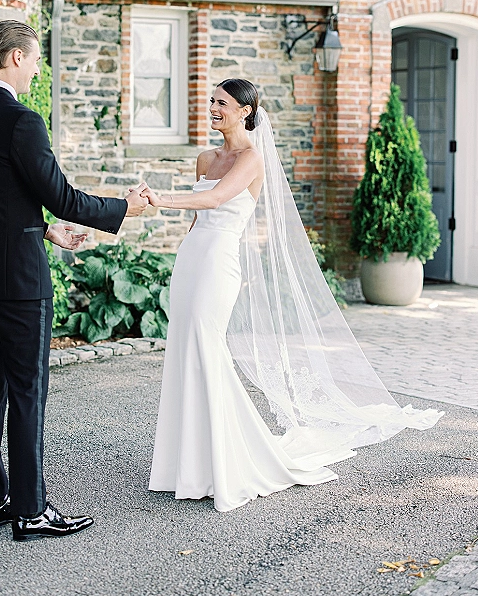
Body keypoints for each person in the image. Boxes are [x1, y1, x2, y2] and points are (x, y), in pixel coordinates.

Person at [139, 78, 442, 513]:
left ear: (245, 111)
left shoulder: (252, 158)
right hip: (191, 262)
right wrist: (180, 257)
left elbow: (220, 199)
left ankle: (228, 459)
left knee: (208, 349)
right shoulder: (205, 157)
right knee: (184, 349)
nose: (212, 108)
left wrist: (158, 198)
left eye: (221, 103)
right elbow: (196, 221)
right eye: (211, 101)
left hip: (219, 264)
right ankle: (184, 462)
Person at [0, 20, 148, 540]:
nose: (37, 68)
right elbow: (60, 194)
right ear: (14, 58)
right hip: (19, 279)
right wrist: (123, 206)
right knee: (28, 389)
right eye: (35, 59)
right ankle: (31, 511)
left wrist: (45, 232)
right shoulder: (21, 120)